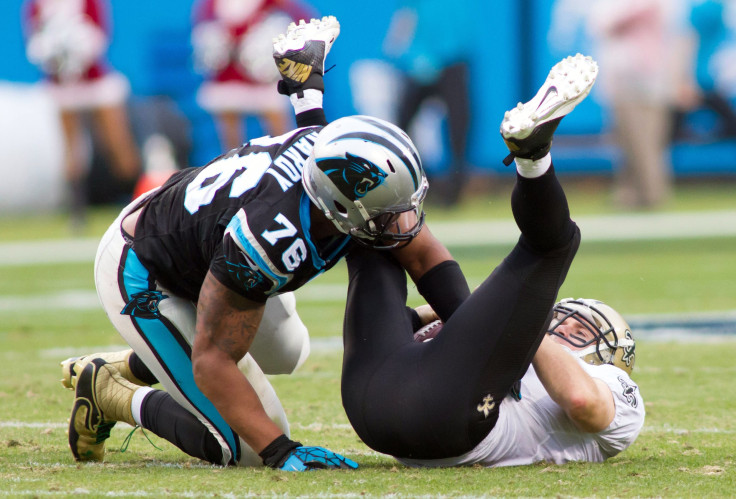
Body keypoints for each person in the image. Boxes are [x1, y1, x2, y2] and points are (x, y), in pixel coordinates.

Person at [61, 16, 470, 471]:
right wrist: (282, 451)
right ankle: (108, 392)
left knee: (287, 351)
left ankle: (150, 359)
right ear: (340, 207)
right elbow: (213, 360)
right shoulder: (269, 239)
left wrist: (473, 324)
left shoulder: (333, 160)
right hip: (146, 267)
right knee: (245, 447)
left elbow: (422, 253)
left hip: (215, 242)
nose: (403, 222)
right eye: (389, 211)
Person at [340, 54, 646, 467]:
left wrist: (527, 325)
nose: (563, 323)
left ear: (612, 356)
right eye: (562, 316)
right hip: (376, 400)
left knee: (554, 245)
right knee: (370, 231)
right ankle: (309, 106)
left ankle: (533, 157)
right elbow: (403, 320)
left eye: (580, 327)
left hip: (445, 421)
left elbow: (581, 401)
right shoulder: (507, 346)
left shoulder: (613, 385)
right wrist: (500, 316)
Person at [23, 0, 141, 228]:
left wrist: (79, 48)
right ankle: (78, 212)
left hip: (96, 81)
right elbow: (34, 39)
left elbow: (100, 35)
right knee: (71, 149)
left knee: (118, 147)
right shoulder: (36, 4)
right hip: (62, 86)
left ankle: (139, 205)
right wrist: (51, 52)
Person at [192, 0, 314, 152]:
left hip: (264, 75)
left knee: (279, 130)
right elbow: (202, 21)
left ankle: (287, 159)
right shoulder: (213, 4)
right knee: (230, 133)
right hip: (227, 74)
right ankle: (234, 166)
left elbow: (302, 17)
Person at [382, 0, 472, 206]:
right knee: (401, 125)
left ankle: (454, 190)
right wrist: (414, 55)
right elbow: (406, 18)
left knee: (459, 125)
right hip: (421, 60)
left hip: (452, 60)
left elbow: (460, 26)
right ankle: (412, 181)